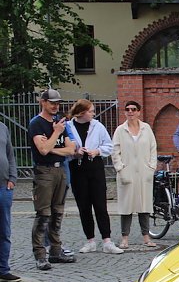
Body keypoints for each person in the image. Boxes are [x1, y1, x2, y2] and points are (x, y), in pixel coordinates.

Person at [65, 99, 123, 254]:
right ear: (81, 112)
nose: (93, 114)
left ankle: (107, 240)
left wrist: (97, 151)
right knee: (83, 206)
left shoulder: (98, 126)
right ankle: (90, 240)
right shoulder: (68, 127)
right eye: (90, 111)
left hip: (95, 167)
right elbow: (65, 147)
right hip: (77, 168)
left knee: (100, 205)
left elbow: (109, 146)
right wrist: (75, 152)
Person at [28, 89, 76, 270]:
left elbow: (71, 149)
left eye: (58, 103)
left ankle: (55, 251)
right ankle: (40, 255)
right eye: (52, 103)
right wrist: (56, 133)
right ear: (43, 102)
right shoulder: (37, 123)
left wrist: (52, 147)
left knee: (57, 213)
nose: (56, 106)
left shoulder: (59, 122)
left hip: (60, 170)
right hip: (44, 172)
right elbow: (42, 150)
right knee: (43, 214)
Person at [112, 100, 158, 248]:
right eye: (127, 109)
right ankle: (125, 238)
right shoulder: (120, 130)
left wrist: (151, 167)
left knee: (144, 205)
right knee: (126, 206)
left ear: (139, 112)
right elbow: (115, 152)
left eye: (133, 109)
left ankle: (146, 237)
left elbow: (153, 149)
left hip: (144, 172)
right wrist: (120, 168)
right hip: (127, 172)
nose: (130, 112)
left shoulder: (146, 128)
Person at [0, 119, 18, 281]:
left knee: (4, 231)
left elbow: (10, 155)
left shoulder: (2, 127)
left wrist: (12, 177)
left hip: (4, 187)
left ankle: (3, 269)